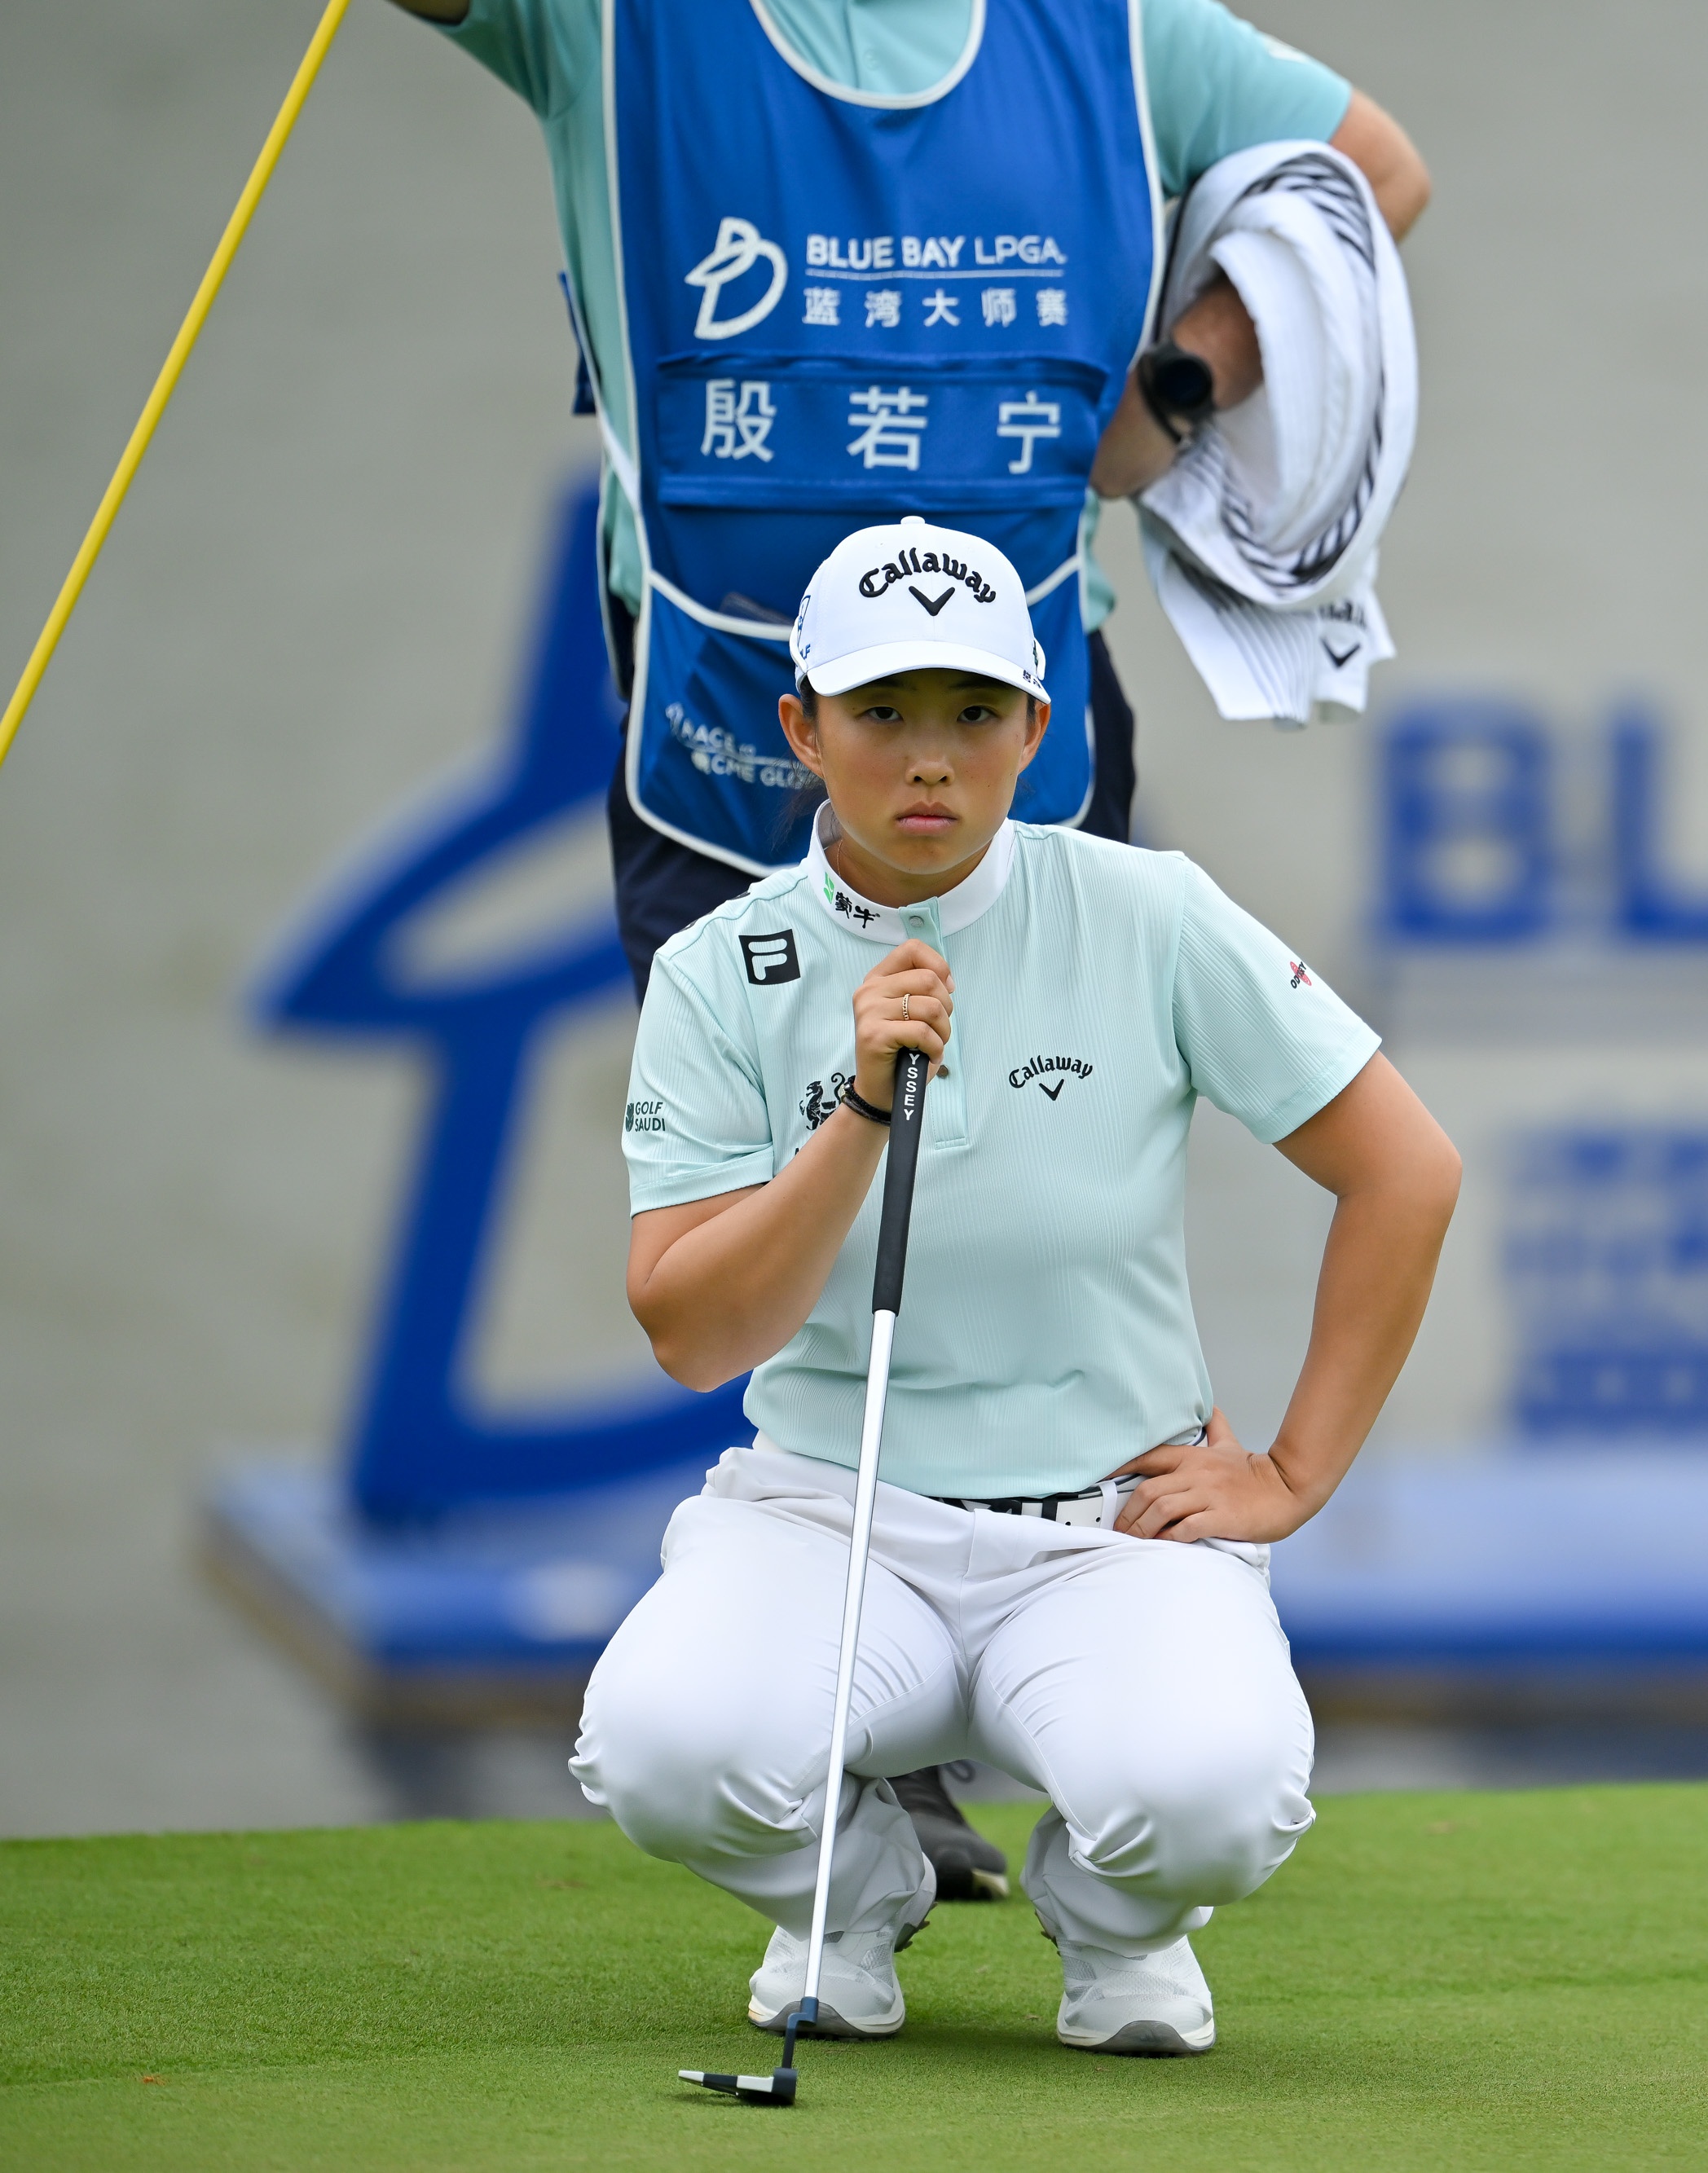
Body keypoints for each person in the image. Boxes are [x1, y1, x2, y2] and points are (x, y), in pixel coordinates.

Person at [392, 0, 1429, 1894]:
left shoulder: (1112, 29)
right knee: (779, 1213)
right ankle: (857, 1732)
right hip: (718, 738)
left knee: (1030, 1185)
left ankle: (1088, 1673)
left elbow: (1372, 173)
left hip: (1036, 721)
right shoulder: (608, 21)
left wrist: (1171, 393)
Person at [575, 516, 1459, 2052]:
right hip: (830, 1516)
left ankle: (1114, 1924)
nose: (931, 760)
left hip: (1109, 1526)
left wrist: (1293, 1473)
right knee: (664, 1750)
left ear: (1037, 731)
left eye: (974, 712)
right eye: (883, 713)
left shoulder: (1148, 912)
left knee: (1214, 1801)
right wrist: (860, 1113)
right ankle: (853, 1895)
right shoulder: (723, 969)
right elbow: (693, 1334)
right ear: (803, 729)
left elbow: (1408, 1171)